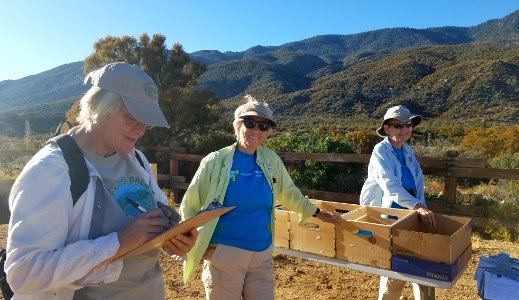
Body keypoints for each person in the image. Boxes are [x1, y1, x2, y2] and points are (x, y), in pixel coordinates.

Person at [5, 62, 198, 299]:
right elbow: (24, 273)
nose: (141, 129)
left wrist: (175, 240)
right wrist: (116, 243)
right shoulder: (51, 168)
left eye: (145, 121)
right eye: (132, 118)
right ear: (98, 107)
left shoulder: (136, 158)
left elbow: (155, 219)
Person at [179, 94, 342, 300]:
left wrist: (317, 213)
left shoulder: (270, 159)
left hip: (261, 252)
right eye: (250, 123)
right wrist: (194, 245)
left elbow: (289, 193)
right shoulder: (215, 161)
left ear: (268, 132)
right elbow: (190, 205)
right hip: (224, 253)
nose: (256, 130)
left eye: (263, 126)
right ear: (237, 126)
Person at [360, 105, 436, 300]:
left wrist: (422, 207)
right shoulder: (380, 151)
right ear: (387, 129)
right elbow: (390, 186)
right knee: (396, 266)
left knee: (420, 262)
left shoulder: (407, 150)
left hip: (411, 212)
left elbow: (417, 183)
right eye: (398, 126)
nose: (405, 129)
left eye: (408, 124)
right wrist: (418, 207)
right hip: (391, 214)